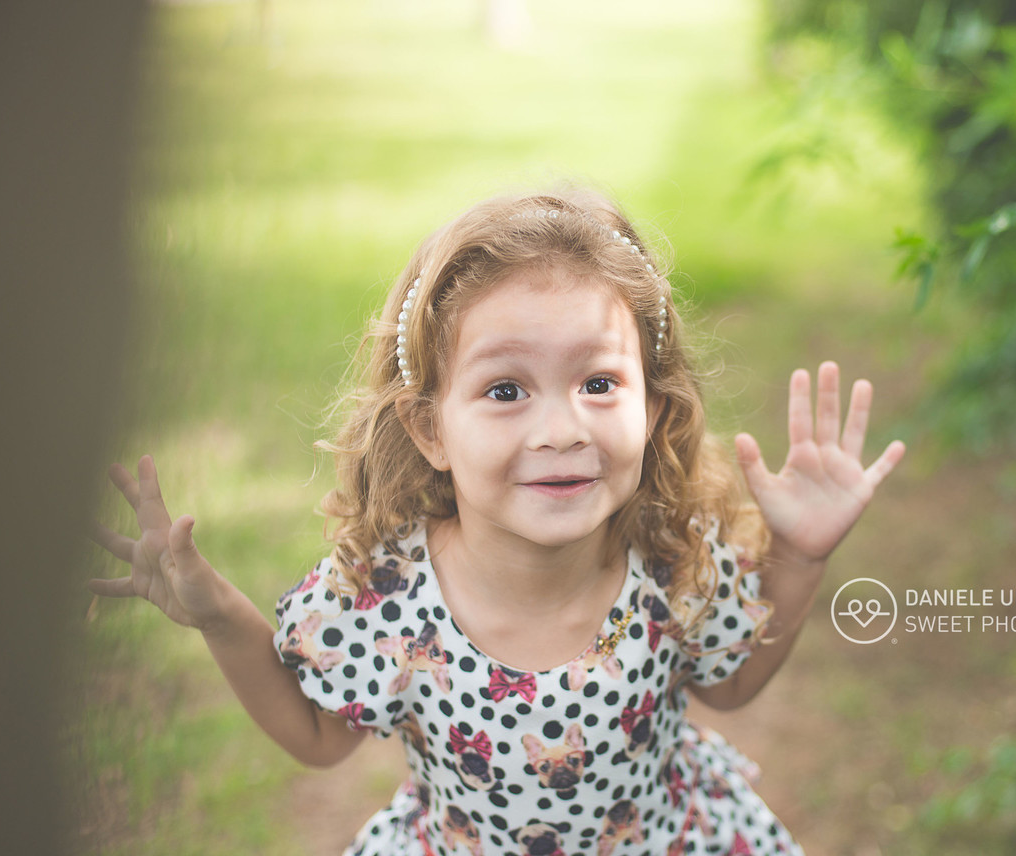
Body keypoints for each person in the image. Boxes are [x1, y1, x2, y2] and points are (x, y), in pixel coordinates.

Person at [92, 187, 905, 856]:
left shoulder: (665, 557)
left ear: (653, 406)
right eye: (506, 390)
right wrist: (217, 616)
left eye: (598, 383)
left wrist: (796, 554)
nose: (561, 430)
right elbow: (318, 737)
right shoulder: (391, 597)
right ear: (430, 429)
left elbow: (729, 685)